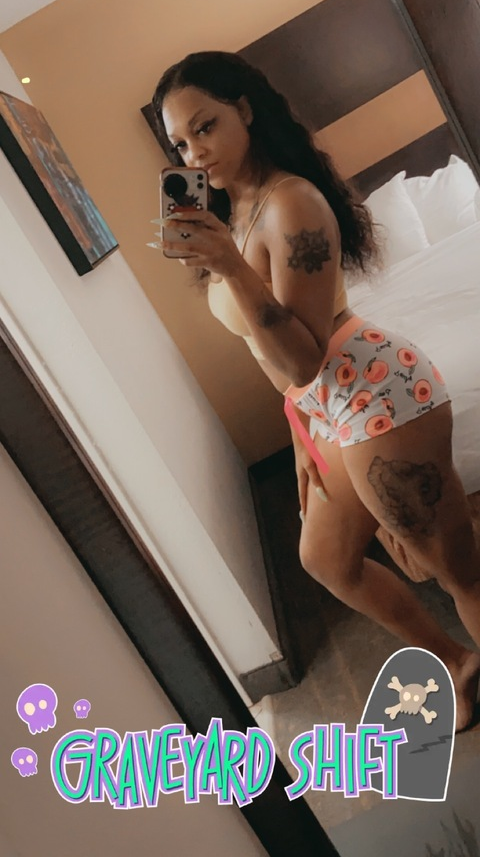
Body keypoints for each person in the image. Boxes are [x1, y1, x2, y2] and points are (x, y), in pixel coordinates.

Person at [151, 50, 480, 730]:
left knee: (456, 569)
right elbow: (276, 363)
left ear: (245, 110)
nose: (195, 152)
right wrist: (301, 430)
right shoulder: (237, 209)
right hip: (327, 411)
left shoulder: (292, 204)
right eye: (180, 143)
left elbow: (303, 356)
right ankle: (457, 663)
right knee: (327, 559)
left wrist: (229, 265)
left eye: (205, 126)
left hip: (380, 397)